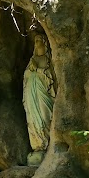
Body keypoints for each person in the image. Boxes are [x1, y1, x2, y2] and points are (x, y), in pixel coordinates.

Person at [22, 33, 56, 165]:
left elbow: (52, 77)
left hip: (44, 93)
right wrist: (31, 71)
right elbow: (26, 77)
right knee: (33, 119)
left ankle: (48, 143)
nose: (37, 43)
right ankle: (38, 145)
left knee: (45, 115)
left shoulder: (48, 60)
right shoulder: (32, 60)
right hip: (32, 93)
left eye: (39, 40)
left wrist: (39, 71)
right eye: (35, 41)